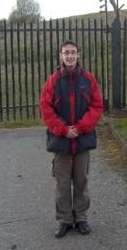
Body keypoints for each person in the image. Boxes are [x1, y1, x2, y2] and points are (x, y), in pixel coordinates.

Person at [40, 40, 103, 238]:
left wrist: (81, 127)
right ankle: (65, 220)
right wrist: (63, 129)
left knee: (81, 180)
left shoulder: (89, 79)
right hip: (61, 140)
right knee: (62, 183)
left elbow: (97, 105)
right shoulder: (53, 81)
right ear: (61, 56)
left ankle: (81, 218)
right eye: (66, 52)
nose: (70, 56)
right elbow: (45, 107)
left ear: (78, 54)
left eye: (73, 52)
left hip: (82, 139)